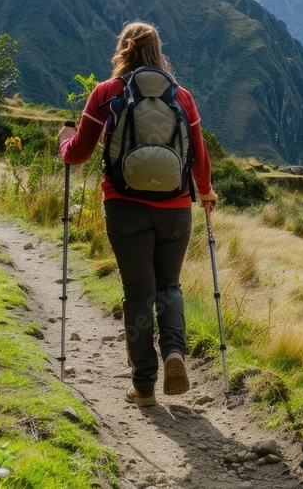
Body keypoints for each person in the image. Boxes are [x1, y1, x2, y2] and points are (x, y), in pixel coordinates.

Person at [58, 21, 218, 407]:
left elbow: (78, 153)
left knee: (138, 294)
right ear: (158, 51)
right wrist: (206, 191)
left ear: (123, 49)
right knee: (169, 287)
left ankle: (144, 386)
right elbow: (198, 153)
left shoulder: (106, 93)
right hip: (177, 209)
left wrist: (63, 145)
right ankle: (175, 352)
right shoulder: (182, 97)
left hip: (124, 207)